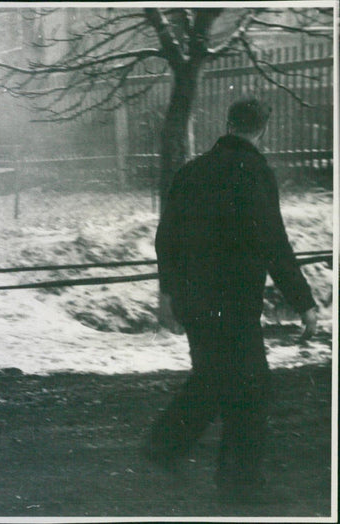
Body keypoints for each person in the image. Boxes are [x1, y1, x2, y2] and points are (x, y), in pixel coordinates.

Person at [149, 97, 319, 503]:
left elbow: (165, 238)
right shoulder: (255, 172)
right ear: (262, 130)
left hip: (194, 302)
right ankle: (237, 482)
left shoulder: (190, 171)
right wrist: (303, 301)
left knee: (215, 379)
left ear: (227, 124)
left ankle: (166, 448)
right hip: (235, 303)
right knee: (250, 388)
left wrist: (167, 295)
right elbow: (273, 242)